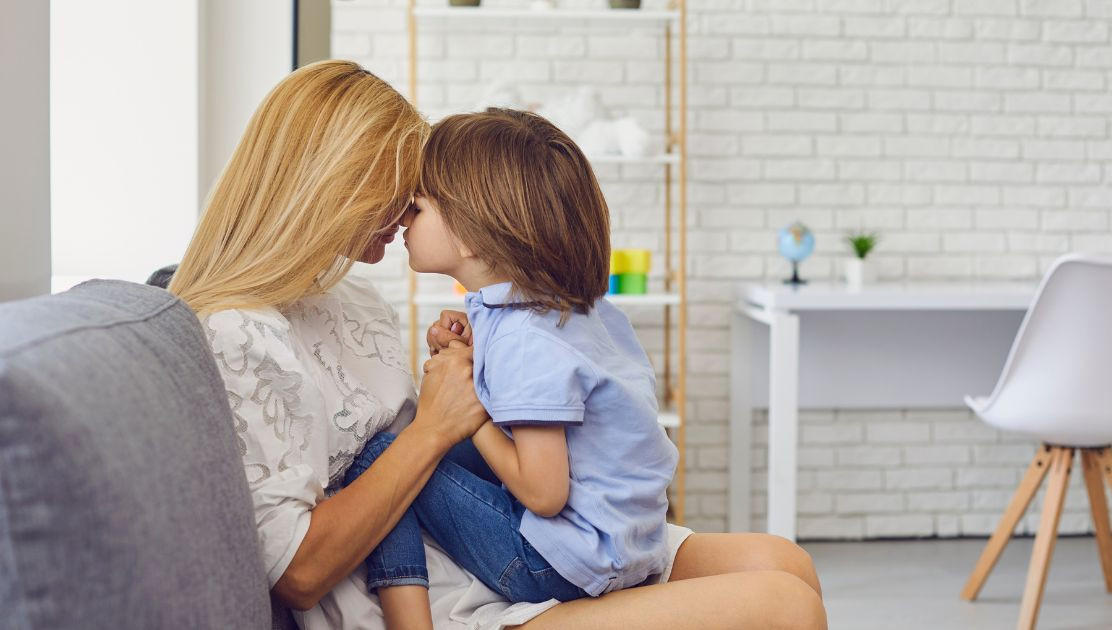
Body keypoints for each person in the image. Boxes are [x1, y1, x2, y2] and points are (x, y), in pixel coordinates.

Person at [169, 59, 826, 630]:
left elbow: (474, 426)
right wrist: (436, 428)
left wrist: (466, 383)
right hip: (453, 592)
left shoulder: (353, 298)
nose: (406, 213)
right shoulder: (239, 333)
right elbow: (300, 573)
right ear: (332, 186)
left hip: (493, 536)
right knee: (782, 606)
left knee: (784, 561)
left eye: (417, 201)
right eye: (399, 192)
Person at [344, 108, 679, 630]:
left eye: (416, 207)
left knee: (383, 458)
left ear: (470, 231)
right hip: (629, 542)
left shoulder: (525, 342)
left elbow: (545, 494)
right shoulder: (562, 309)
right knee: (428, 443)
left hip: (558, 566)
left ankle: (409, 622)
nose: (403, 221)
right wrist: (472, 355)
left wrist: (470, 413)